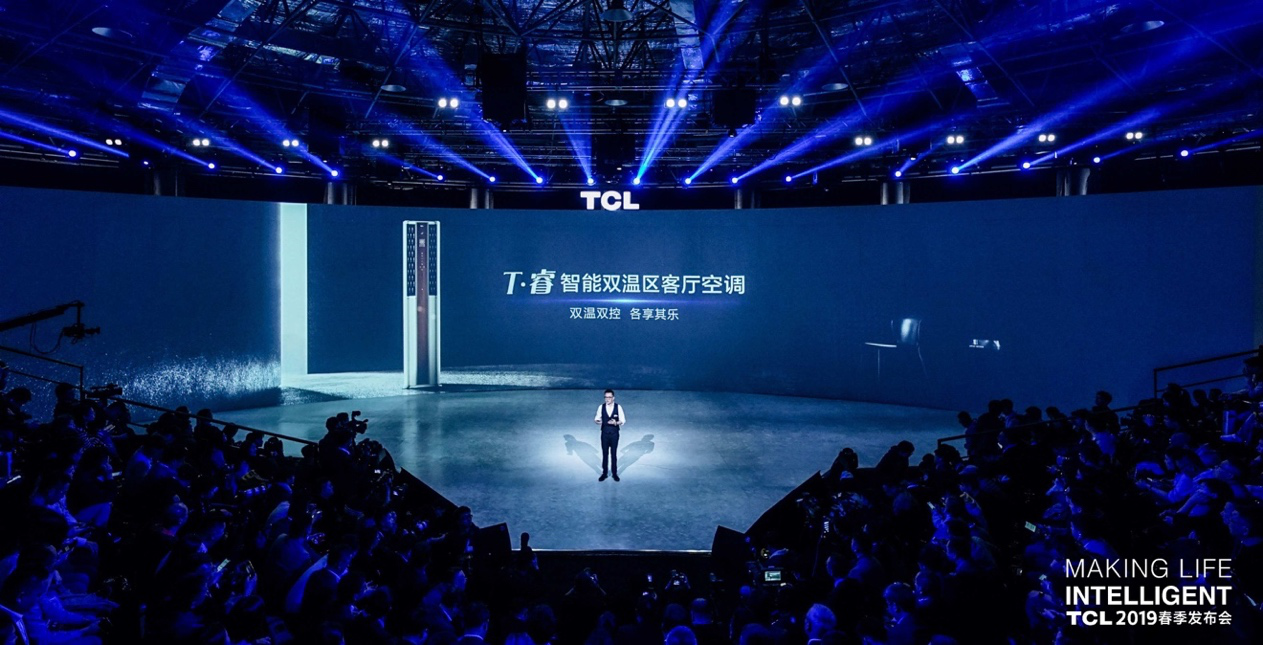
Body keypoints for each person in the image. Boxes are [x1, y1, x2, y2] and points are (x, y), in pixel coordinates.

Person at [593, 389, 625, 482]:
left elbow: (623, 420)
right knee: (605, 454)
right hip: (604, 434)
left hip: (614, 434)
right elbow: (597, 419)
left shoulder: (618, 407)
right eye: (606, 397)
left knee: (613, 454)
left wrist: (616, 423)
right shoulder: (601, 407)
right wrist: (598, 421)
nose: (607, 399)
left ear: (613, 398)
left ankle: (614, 473)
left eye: (609, 397)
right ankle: (604, 473)